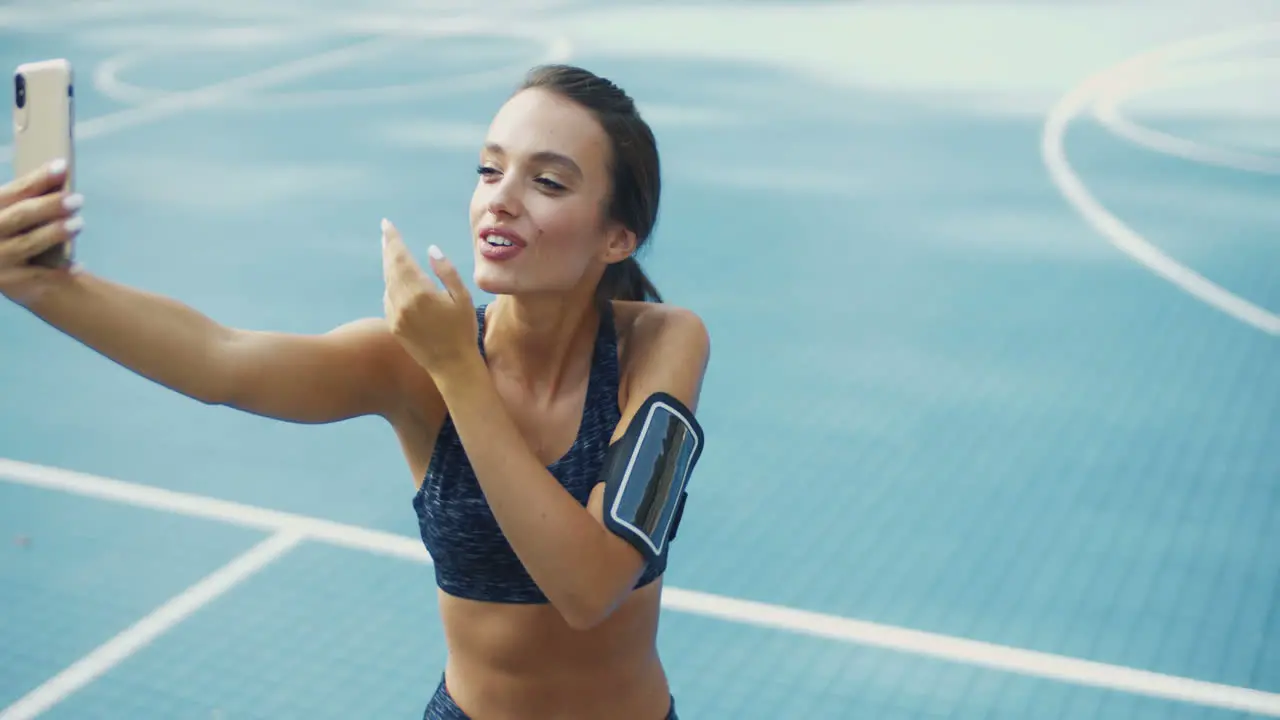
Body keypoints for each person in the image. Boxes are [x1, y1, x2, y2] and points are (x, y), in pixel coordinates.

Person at [0, 64, 710, 720]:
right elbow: (220, 360)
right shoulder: (411, 362)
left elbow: (590, 588)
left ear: (618, 237)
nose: (501, 199)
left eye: (547, 183)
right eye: (490, 170)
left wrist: (459, 372)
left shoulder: (662, 344)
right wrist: (42, 288)